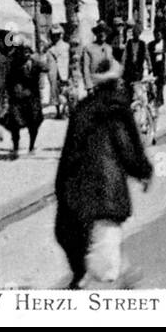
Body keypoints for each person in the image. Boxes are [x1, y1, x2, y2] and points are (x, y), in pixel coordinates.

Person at [53, 57, 154, 289]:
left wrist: (62, 187)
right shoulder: (119, 110)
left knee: (83, 244)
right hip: (107, 191)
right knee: (106, 258)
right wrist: (144, 172)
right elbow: (128, 149)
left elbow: (69, 151)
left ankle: (84, 278)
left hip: (76, 189)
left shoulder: (82, 109)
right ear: (117, 82)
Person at [4, 38, 44, 158]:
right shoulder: (13, 64)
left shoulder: (35, 63)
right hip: (17, 98)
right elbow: (8, 80)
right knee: (14, 124)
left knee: (35, 122)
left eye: (28, 51)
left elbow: (46, 67)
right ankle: (16, 147)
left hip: (33, 98)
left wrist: (37, 59)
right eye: (23, 51)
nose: (25, 54)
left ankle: (31, 146)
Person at [47, 27, 72, 119]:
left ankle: (67, 110)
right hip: (55, 73)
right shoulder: (51, 49)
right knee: (55, 92)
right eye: (53, 35)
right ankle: (58, 112)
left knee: (68, 92)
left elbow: (71, 60)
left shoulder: (67, 46)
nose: (55, 37)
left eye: (57, 35)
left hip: (66, 72)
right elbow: (49, 63)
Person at [81, 23, 110, 93]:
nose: (102, 34)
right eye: (100, 31)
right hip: (94, 85)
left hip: (107, 85)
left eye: (104, 32)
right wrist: (89, 86)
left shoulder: (109, 48)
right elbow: (86, 68)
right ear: (96, 33)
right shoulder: (88, 48)